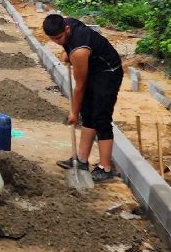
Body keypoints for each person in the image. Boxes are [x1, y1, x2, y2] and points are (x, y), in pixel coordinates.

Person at [42, 12, 123, 183]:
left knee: (101, 118)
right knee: (88, 115)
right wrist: (66, 50)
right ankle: (81, 161)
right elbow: (69, 45)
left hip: (108, 72)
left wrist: (73, 112)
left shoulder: (79, 52)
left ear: (67, 28)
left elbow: (79, 86)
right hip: (93, 69)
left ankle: (105, 168)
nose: (57, 41)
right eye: (53, 39)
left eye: (59, 37)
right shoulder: (68, 25)